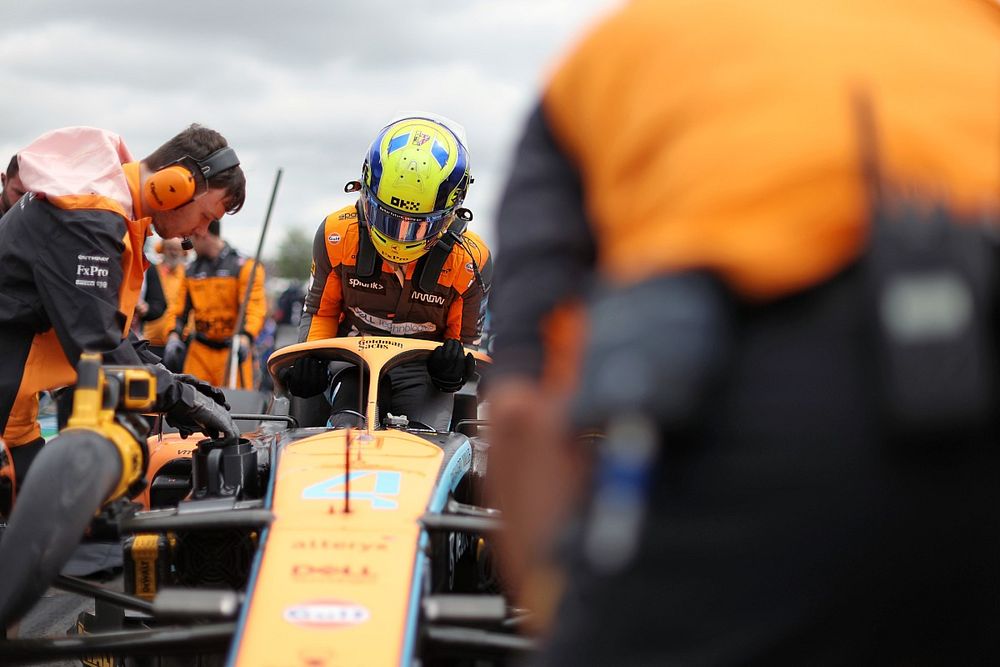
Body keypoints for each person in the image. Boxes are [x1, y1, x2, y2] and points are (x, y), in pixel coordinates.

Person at [488, 1, 1000, 665]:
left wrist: (573, 609)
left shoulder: (609, 57)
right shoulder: (975, 23)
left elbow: (524, 409)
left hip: (772, 400)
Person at [0, 125, 245, 485]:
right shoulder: (88, 218)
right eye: (207, 216)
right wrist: (178, 398)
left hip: (13, 418)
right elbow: (96, 346)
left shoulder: (102, 210)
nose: (200, 232)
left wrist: (170, 379)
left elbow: (107, 325)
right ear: (175, 184)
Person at [283, 114, 492, 431]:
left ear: (452, 212)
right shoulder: (336, 234)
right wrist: (310, 358)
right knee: (337, 424)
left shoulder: (470, 259)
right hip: (351, 362)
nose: (400, 237)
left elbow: (464, 345)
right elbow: (320, 311)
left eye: (417, 224)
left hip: (424, 374)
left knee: (432, 443)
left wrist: (455, 367)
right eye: (389, 218)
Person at [163, 218, 266, 389]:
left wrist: (246, 337)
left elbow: (254, 308)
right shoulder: (190, 270)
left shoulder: (244, 266)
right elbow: (177, 310)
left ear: (201, 233)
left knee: (237, 409)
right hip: (199, 353)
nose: (191, 245)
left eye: (191, 238)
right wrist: (173, 336)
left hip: (233, 351)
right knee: (190, 405)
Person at [143, 237, 188, 359]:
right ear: (161, 250)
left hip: (179, 340)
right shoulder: (152, 272)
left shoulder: (187, 275)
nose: (173, 253)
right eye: (170, 249)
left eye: (177, 249)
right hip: (152, 340)